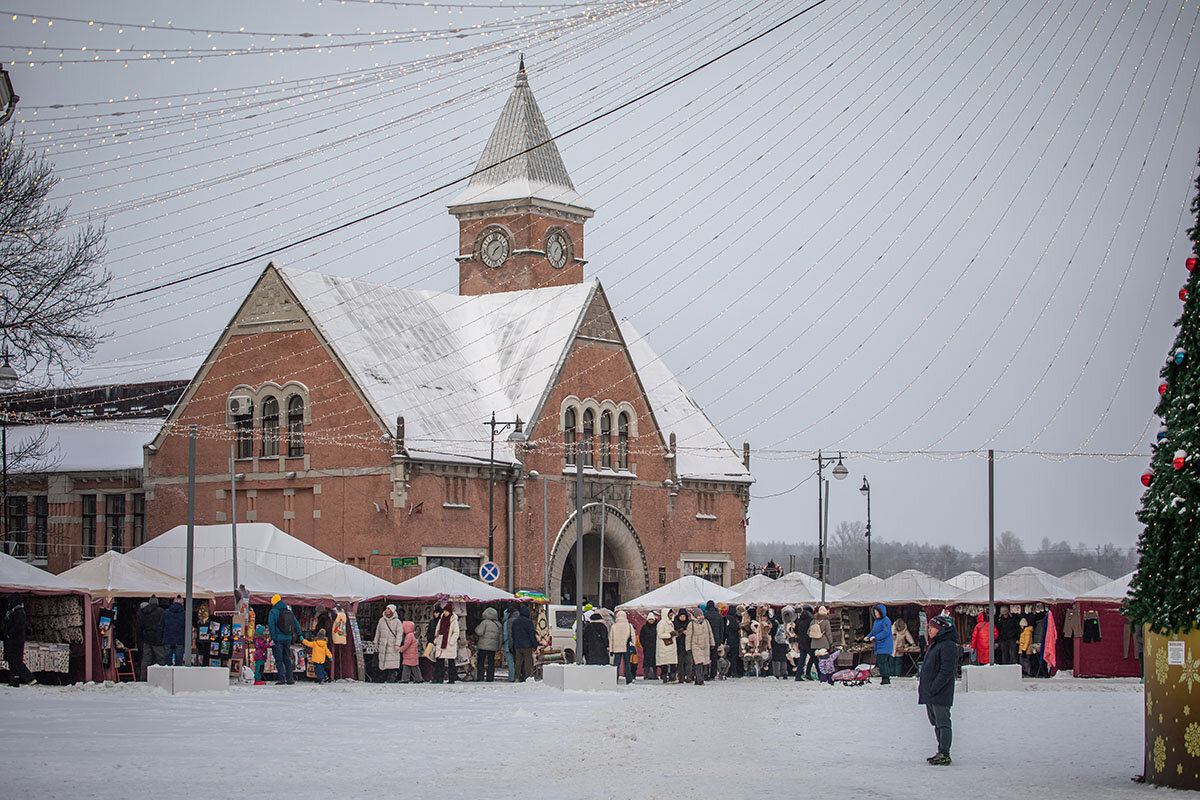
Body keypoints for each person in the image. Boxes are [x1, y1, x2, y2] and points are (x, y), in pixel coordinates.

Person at [918, 615, 959, 766]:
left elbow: (947, 671)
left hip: (940, 692)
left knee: (943, 722)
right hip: (931, 692)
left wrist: (935, 687)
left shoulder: (948, 645)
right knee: (936, 722)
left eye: (932, 627)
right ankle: (940, 750)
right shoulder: (935, 644)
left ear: (940, 628)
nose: (929, 630)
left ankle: (945, 753)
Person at [267, 593, 299, 684]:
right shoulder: (288, 610)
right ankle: (290, 678)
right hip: (287, 638)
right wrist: (299, 634)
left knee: (279, 659)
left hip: (278, 638)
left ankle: (281, 678)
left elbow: (271, 625)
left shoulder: (273, 612)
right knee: (287, 658)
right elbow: (295, 623)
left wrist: (273, 638)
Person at [3, 593, 33, 687]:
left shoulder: (19, 612)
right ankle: (14, 681)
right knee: (12, 661)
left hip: (15, 641)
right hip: (11, 640)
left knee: (16, 661)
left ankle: (29, 678)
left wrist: (9, 633)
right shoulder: (12, 612)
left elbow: (17, 626)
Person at [135, 595, 164, 681]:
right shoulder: (161, 612)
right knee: (161, 660)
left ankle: (143, 678)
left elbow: (139, 627)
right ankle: (162, 679)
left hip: (146, 639)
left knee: (146, 660)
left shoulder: (142, 612)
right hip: (158, 640)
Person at [373, 604, 403, 683]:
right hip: (383, 645)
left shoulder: (397, 622)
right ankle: (384, 677)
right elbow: (378, 632)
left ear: (392, 611)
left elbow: (399, 634)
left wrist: (397, 644)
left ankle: (391, 677)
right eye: (386, 608)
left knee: (392, 663)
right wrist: (376, 641)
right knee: (383, 663)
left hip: (392, 645)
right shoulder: (381, 620)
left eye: (388, 609)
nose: (386, 610)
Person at [866, 605, 895, 685]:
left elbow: (886, 632)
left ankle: (886, 678)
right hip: (879, 645)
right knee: (880, 661)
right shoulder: (876, 621)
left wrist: (875, 637)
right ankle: (884, 677)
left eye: (877, 612)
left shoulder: (886, 620)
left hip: (885, 645)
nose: (876, 614)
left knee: (883, 661)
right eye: (874, 613)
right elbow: (874, 632)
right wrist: (868, 636)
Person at [431, 604, 460, 684]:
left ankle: (451, 679)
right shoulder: (441, 619)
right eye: (444, 611)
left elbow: (456, 632)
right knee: (440, 661)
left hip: (449, 643)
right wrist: (436, 640)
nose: (445, 613)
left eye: (446, 611)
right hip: (441, 642)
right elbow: (438, 630)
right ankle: (439, 678)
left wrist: (451, 641)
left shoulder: (454, 620)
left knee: (451, 662)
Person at [685, 608, 714, 685]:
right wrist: (688, 648)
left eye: (701, 615)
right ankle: (700, 679)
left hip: (705, 645)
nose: (700, 617)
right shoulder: (691, 624)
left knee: (705, 663)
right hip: (696, 645)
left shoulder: (706, 622)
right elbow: (688, 637)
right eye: (699, 615)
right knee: (699, 663)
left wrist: (712, 643)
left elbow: (710, 633)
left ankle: (699, 679)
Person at [510, 605, 538, 682]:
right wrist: (535, 644)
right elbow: (532, 634)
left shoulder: (515, 622)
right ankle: (528, 677)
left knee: (518, 662)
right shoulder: (529, 622)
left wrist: (514, 643)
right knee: (528, 662)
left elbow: (513, 634)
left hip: (518, 645)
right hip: (527, 645)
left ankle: (516, 677)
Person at [474, 607, 502, 682]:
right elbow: (500, 636)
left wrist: (476, 628)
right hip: (493, 647)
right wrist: (498, 646)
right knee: (491, 662)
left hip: (483, 645)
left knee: (481, 662)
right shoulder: (498, 624)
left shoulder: (484, 622)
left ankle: (480, 677)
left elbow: (479, 632)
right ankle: (490, 677)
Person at [608, 610, 636, 684]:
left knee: (616, 665)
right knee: (627, 665)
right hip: (626, 648)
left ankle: (615, 679)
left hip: (617, 648)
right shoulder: (629, 625)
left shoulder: (614, 626)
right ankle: (629, 680)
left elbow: (611, 639)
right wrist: (633, 646)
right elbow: (633, 637)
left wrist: (611, 649)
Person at [160, 595, 187, 667]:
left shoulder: (166, 613)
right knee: (179, 661)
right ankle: (178, 676)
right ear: (182, 603)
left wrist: (161, 638)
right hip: (180, 639)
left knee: (167, 662)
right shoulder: (185, 614)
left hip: (167, 638)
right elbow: (187, 627)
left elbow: (161, 626)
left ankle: (167, 676)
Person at [806, 606, 832, 679]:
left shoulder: (813, 621)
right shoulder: (826, 622)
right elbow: (828, 633)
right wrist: (831, 642)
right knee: (824, 660)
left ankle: (808, 673)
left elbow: (808, 632)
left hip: (814, 643)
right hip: (824, 643)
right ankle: (822, 675)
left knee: (813, 659)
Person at [655, 609, 678, 683]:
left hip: (670, 646)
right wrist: (670, 635)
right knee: (664, 663)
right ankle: (664, 677)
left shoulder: (670, 623)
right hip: (664, 646)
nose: (671, 616)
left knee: (672, 663)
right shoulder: (661, 624)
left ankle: (672, 677)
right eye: (670, 615)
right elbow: (660, 634)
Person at [704, 601, 724, 679]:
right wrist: (720, 640)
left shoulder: (706, 615)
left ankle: (705, 673)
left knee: (706, 657)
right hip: (716, 639)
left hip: (707, 639)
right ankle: (713, 674)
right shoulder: (719, 616)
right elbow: (721, 629)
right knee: (714, 658)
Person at [794, 604, 814, 681]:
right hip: (809, 642)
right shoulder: (811, 620)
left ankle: (798, 675)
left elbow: (796, 631)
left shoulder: (799, 620)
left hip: (801, 642)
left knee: (801, 660)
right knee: (813, 658)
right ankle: (816, 674)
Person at [638, 612, 658, 681]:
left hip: (655, 647)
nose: (651, 621)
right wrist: (644, 644)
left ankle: (655, 675)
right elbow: (641, 637)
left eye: (652, 620)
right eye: (650, 620)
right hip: (647, 648)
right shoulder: (644, 627)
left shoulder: (656, 627)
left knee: (654, 662)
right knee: (646, 662)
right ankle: (646, 675)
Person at [723, 606, 742, 678]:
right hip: (733, 640)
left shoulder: (724, 617)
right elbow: (736, 628)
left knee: (726, 657)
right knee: (733, 657)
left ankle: (727, 672)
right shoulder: (732, 618)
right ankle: (733, 672)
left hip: (726, 640)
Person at [674, 608, 691, 682]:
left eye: (684, 616)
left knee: (688, 661)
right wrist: (681, 631)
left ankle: (689, 676)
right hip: (679, 645)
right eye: (681, 616)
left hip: (687, 645)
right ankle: (680, 676)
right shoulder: (675, 623)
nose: (682, 618)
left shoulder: (689, 623)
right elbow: (674, 633)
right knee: (680, 662)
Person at [502, 607, 518, 682]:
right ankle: (517, 676)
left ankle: (511, 677)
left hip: (508, 644)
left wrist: (502, 642)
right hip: (517, 644)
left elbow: (505, 634)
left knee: (510, 662)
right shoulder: (518, 620)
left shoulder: (507, 622)